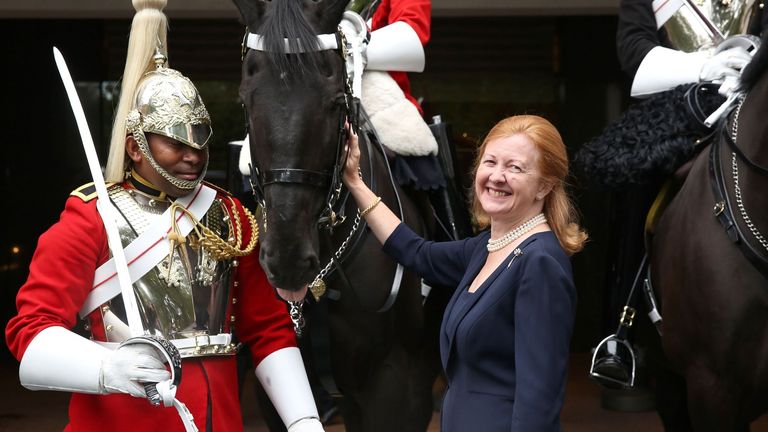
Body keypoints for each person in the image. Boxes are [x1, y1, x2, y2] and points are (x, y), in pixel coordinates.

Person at [4, 1, 324, 431]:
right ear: (136, 147)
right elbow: (31, 331)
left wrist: (304, 421)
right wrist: (107, 368)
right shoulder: (89, 217)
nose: (193, 156)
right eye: (176, 143)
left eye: (199, 141)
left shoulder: (229, 215)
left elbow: (268, 331)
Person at [341, 114, 586, 431]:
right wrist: (356, 182)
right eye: (491, 162)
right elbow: (416, 252)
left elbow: (539, 399)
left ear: (544, 186)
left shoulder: (540, 263)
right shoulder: (488, 246)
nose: (497, 176)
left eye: (515, 168)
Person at [589, 0, 768, 389]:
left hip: (753, 95)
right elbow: (634, 51)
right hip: (684, 105)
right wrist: (703, 67)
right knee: (635, 182)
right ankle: (621, 331)